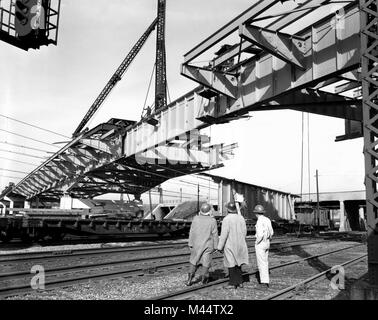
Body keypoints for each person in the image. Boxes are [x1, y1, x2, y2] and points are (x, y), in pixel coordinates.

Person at [217, 201, 249, 289]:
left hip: (230, 243)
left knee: (231, 263)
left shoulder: (226, 219)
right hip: (240, 243)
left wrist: (220, 247)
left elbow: (224, 234)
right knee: (239, 263)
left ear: (228, 209)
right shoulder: (241, 218)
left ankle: (232, 283)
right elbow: (244, 232)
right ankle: (240, 282)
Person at [186, 202, 219, 286]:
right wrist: (216, 247)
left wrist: (190, 243)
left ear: (201, 210)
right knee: (206, 262)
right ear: (209, 211)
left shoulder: (195, 219)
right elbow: (215, 234)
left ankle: (189, 279)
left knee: (194, 261)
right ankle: (204, 280)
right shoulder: (213, 220)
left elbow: (191, 232)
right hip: (208, 245)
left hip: (196, 244)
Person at [254, 204, 274, 288]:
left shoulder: (259, 221)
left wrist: (257, 242)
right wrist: (269, 239)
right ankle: (266, 280)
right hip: (267, 242)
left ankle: (264, 282)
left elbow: (260, 234)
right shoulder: (267, 219)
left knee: (261, 263)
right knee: (265, 262)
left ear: (256, 213)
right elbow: (272, 232)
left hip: (261, 243)